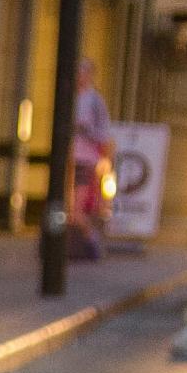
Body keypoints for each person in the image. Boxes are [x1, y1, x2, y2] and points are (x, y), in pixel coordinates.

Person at [71, 55, 112, 261]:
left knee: (76, 208)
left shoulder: (95, 101)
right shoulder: (70, 97)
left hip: (85, 159)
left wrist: (87, 131)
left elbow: (104, 132)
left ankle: (91, 239)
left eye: (83, 72)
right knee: (67, 208)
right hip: (69, 158)